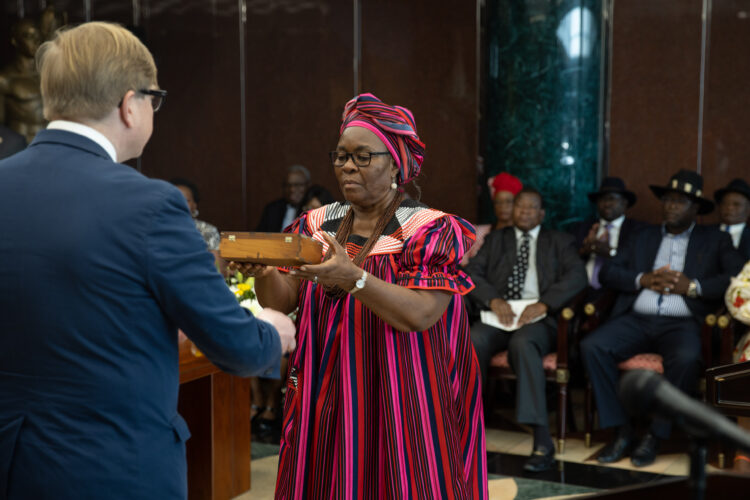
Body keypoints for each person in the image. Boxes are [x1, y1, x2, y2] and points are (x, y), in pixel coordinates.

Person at [0, 22, 295, 499]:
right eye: (154, 100)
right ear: (129, 104)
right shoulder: (149, 204)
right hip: (115, 467)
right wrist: (273, 331)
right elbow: (234, 347)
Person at [239, 93, 487, 498]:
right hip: (326, 385)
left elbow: (420, 315)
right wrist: (264, 271)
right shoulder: (316, 223)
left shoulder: (429, 230)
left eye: (362, 156)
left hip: (403, 389)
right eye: (340, 157)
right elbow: (280, 302)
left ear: (395, 164)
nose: (347, 166)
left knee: (405, 479)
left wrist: (354, 277)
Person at [581, 169, 745, 468]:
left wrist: (693, 287)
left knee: (685, 357)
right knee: (593, 346)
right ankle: (622, 430)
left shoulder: (714, 238)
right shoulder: (642, 234)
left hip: (681, 323)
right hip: (638, 318)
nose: (670, 206)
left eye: (679, 202)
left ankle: (655, 436)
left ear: (696, 208)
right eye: (668, 200)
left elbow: (736, 277)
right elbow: (608, 272)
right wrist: (642, 279)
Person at [465, 187, 587, 472]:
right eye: (520, 207)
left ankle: (542, 439)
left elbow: (577, 276)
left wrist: (545, 304)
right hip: (500, 315)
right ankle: (467, 427)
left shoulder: (559, 241)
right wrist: (493, 299)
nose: (524, 212)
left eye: (531, 208)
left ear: (542, 214)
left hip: (537, 320)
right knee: (474, 339)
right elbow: (471, 272)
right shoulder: (496, 239)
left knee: (523, 344)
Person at [571, 177, 645, 294]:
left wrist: (611, 252)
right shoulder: (583, 228)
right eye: (602, 199)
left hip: (617, 292)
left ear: (624, 203)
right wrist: (585, 250)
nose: (606, 204)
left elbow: (639, 264)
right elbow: (568, 262)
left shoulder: (637, 230)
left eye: (612, 199)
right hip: (581, 290)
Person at [461, 172, 523, 266]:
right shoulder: (476, 233)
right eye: (498, 202)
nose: (503, 207)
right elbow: (462, 264)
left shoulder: (524, 237)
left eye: (508, 202)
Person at [0, 18, 45, 143]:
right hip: (21, 146)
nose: (36, 41)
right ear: (15, 41)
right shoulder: (5, 79)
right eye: (29, 36)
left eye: (38, 35)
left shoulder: (48, 73)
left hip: (50, 143)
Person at [169, 177, 226, 274]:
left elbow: (218, 270)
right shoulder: (155, 228)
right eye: (175, 199)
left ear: (194, 205)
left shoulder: (207, 230)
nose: (180, 203)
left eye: (186, 200)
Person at [256, 164, 311, 231]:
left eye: (297, 185)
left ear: (308, 185)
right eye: (288, 185)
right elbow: (260, 234)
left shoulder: (312, 208)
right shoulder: (273, 208)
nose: (292, 189)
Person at [714, 178, 750, 259]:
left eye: (736, 204)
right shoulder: (706, 233)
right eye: (725, 203)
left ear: (748, 210)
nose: (729, 208)